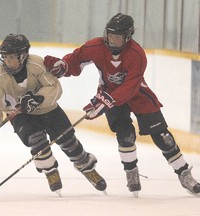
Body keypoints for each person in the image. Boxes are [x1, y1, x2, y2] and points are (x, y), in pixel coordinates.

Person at [43, 13, 200, 197]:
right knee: (125, 135)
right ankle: (131, 172)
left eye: (118, 37)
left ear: (128, 37)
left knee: (164, 137)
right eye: (110, 35)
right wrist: (63, 65)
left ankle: (183, 174)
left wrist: (106, 101)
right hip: (109, 95)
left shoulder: (137, 54)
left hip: (137, 95)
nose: (113, 40)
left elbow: (129, 87)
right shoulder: (96, 46)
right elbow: (76, 59)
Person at [0, 33, 107, 195]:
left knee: (69, 142)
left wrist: (38, 99)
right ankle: (50, 171)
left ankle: (86, 167)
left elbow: (54, 87)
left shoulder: (37, 65)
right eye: (5, 57)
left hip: (49, 110)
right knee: (36, 142)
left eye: (12, 57)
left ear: (24, 55)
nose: (7, 62)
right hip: (19, 114)